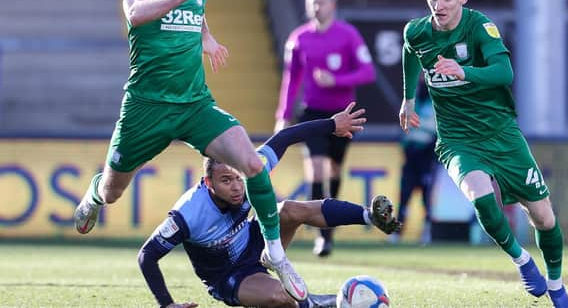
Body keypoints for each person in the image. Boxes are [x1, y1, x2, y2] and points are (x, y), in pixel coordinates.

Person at [73, 0, 307, 301]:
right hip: (147, 108)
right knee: (114, 191)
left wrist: (207, 38)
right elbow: (136, 14)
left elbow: (195, 14)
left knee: (251, 164)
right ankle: (94, 194)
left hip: (195, 104)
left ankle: (276, 252)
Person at [399, 0, 568, 308]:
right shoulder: (417, 32)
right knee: (480, 196)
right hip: (457, 140)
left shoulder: (481, 28)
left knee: (543, 217)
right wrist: (406, 98)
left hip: (502, 135)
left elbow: (504, 72)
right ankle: (522, 261)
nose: (439, 5)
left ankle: (556, 286)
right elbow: (409, 52)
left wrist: (464, 72)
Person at [138, 103, 401, 308]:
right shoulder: (189, 212)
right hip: (229, 275)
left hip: (257, 243)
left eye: (238, 177)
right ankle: (310, 302)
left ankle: (368, 216)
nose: (237, 186)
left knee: (287, 209)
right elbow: (146, 256)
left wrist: (331, 124)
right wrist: (166, 303)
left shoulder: (252, 167)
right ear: (208, 182)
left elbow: (285, 136)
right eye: (226, 180)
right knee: (282, 298)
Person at [274, 0, 376, 257]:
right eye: (313, 3)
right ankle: (320, 235)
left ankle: (328, 231)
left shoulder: (348, 35)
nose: (317, 7)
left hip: (344, 114)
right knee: (317, 169)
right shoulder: (298, 39)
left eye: (322, 2)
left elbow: (367, 72)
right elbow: (291, 80)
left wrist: (337, 80)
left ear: (333, 4)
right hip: (314, 115)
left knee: (333, 172)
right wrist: (283, 116)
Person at [388, 82, 438, 246]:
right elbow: (404, 130)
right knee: (404, 196)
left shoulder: (436, 103)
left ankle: (427, 232)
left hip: (427, 156)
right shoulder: (412, 102)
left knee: (426, 197)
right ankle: (397, 233)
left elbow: (437, 131)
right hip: (411, 156)